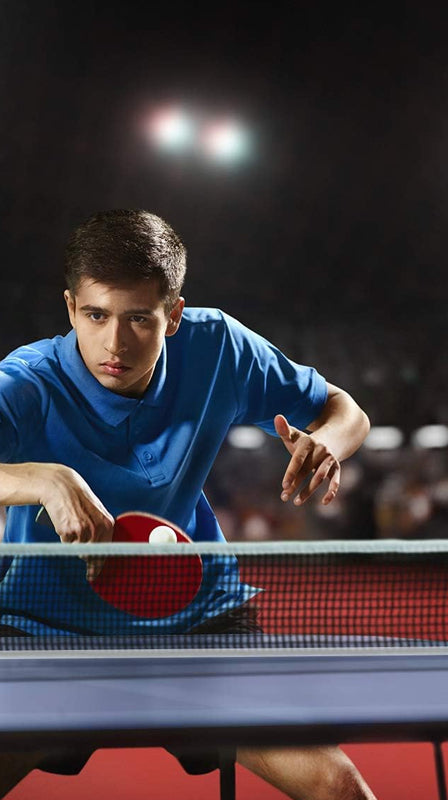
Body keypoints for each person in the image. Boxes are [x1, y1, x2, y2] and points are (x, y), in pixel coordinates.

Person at [0, 209, 376, 800]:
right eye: (95, 316)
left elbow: (344, 409)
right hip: (48, 625)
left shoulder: (218, 348)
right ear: (71, 308)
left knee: (338, 786)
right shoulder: (28, 382)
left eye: (138, 319)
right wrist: (41, 478)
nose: (114, 343)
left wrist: (328, 443)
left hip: (195, 619)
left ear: (173, 315)